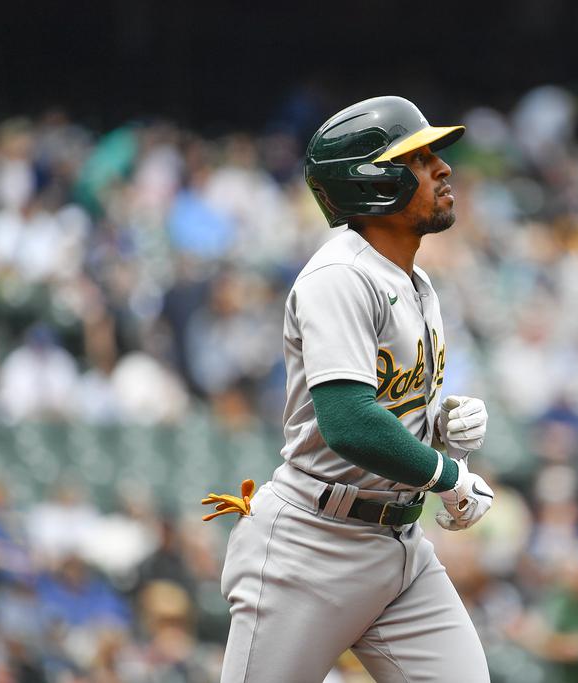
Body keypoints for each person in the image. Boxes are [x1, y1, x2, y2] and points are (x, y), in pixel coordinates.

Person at [203, 96, 494, 682]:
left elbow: (385, 404)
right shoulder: (340, 277)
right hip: (312, 546)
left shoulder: (414, 281)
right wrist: (448, 475)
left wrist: (440, 426)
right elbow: (349, 424)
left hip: (400, 547)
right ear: (373, 181)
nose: (442, 168)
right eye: (418, 158)